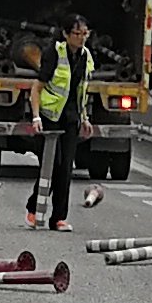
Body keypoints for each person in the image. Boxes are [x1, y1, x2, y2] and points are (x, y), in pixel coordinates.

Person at [33, 15, 97, 233]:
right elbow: (37, 88)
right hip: (50, 117)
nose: (81, 38)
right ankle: (34, 207)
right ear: (66, 34)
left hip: (71, 117)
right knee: (52, 165)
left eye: (84, 34)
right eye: (77, 34)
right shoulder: (54, 54)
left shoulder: (86, 56)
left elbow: (82, 91)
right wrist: (35, 117)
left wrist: (85, 118)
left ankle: (59, 218)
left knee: (66, 168)